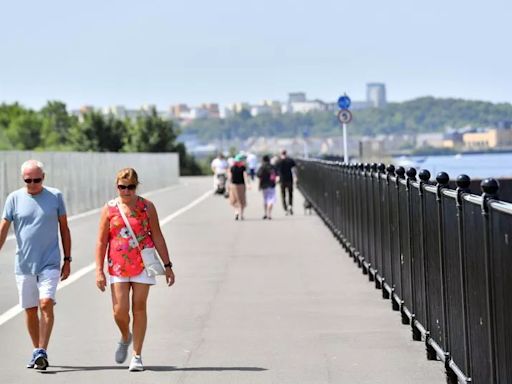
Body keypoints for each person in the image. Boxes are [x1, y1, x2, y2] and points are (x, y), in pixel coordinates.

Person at [95, 168, 175, 372]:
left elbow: (157, 236)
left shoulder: (147, 207)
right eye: (122, 187)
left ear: (136, 186)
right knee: (119, 311)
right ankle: (125, 336)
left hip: (142, 264)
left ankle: (137, 355)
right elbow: (102, 241)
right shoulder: (110, 208)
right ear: (117, 186)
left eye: (130, 187)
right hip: (117, 265)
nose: (126, 191)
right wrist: (99, 270)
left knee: (139, 308)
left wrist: (167, 266)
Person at [0, 160, 71, 370]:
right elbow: (3, 229)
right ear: (23, 179)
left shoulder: (55, 196)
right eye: (28, 180)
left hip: (50, 261)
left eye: (36, 180)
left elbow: (64, 229)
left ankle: (42, 350)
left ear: (44, 177)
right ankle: (37, 350)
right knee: (30, 310)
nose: (32, 184)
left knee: (46, 303)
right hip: (23, 264)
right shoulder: (13, 199)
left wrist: (67, 260)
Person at [228, 153, 249, 220]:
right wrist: (248, 184)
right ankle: (241, 214)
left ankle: (236, 212)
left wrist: (228, 185)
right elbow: (245, 176)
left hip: (233, 185)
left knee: (234, 200)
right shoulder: (243, 167)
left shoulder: (232, 167)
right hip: (241, 185)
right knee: (242, 200)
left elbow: (230, 177)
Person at [275, 149, 296, 215]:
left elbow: (275, 170)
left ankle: (285, 208)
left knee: (283, 194)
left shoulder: (278, 161)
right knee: (290, 193)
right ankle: (290, 205)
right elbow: (294, 169)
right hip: (289, 179)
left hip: (282, 180)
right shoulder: (290, 160)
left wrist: (277, 177)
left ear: (281, 153)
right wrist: (295, 177)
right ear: (286, 153)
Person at [256, 155, 277, 220]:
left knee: (265, 199)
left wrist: (258, 186)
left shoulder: (262, 167)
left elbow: (258, 175)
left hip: (264, 185)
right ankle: (269, 214)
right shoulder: (272, 167)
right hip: (271, 185)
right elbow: (277, 174)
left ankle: (265, 213)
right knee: (271, 199)